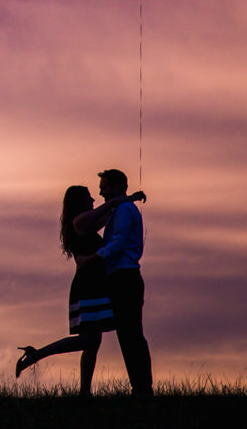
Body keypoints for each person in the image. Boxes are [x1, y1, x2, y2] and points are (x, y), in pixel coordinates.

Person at [14, 184, 145, 395]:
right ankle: (37, 355)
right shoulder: (80, 222)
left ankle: (84, 392)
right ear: (79, 202)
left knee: (92, 343)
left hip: (93, 284)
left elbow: (107, 215)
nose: (93, 200)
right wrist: (129, 198)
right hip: (88, 285)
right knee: (88, 340)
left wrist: (123, 205)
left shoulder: (85, 224)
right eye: (88, 197)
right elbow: (108, 207)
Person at [80, 168, 152, 397]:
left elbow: (118, 244)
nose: (101, 193)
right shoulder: (119, 208)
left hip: (125, 278)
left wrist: (92, 259)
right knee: (128, 334)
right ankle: (140, 387)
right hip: (122, 277)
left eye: (105, 188)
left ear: (118, 187)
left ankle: (141, 388)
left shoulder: (123, 210)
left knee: (131, 334)